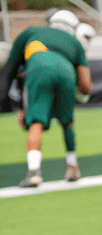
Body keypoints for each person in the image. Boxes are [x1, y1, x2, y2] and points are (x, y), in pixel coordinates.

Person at [2, 10, 92, 187]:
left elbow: (10, 70)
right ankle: (72, 166)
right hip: (67, 71)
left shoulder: (32, 31)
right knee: (67, 122)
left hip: (39, 67)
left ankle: (34, 171)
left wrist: (18, 107)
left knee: (36, 121)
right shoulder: (75, 42)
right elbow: (86, 85)